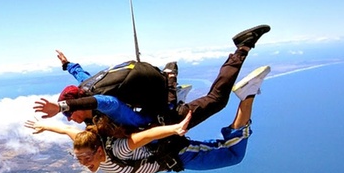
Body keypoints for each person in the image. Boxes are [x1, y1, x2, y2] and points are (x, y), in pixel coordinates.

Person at [24, 62, 271, 173]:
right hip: (162, 136)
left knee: (232, 156)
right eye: (79, 158)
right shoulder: (89, 133)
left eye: (85, 158)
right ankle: (172, 86)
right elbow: (68, 131)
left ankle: (247, 95)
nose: (82, 162)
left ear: (99, 150)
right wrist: (45, 125)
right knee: (170, 107)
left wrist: (174, 129)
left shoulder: (115, 149)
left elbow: (143, 137)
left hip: (174, 152)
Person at [33, 25, 270, 133]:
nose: (72, 119)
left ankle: (243, 47)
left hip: (165, 115)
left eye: (71, 116)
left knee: (217, 100)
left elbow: (107, 104)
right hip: (150, 80)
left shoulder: (98, 99)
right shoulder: (87, 86)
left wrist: (63, 106)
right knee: (165, 99)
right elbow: (80, 75)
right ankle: (170, 80)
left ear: (79, 103)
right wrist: (68, 65)